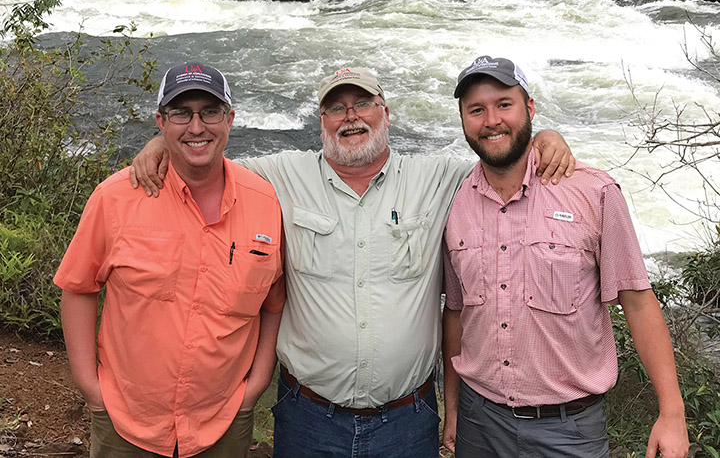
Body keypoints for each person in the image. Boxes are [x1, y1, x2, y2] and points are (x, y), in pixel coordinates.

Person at [130, 66, 575, 457]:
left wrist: (546, 138)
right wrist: (161, 144)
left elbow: (500, 156)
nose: (351, 116)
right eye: (336, 108)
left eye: (363, 103)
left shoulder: (439, 179)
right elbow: (207, 156)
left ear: (386, 113)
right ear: (321, 122)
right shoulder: (280, 176)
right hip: (307, 416)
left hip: (407, 420)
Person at [442, 55, 689, 458]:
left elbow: (638, 302)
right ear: (463, 119)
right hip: (479, 422)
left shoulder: (594, 192)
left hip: (569, 430)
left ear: (530, 108)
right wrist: (452, 410)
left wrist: (672, 413)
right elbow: (455, 313)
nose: (492, 120)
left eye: (504, 104)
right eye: (476, 110)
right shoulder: (453, 202)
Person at [54, 62, 285, 458]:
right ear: (161, 122)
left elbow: (273, 303)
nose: (197, 127)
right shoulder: (116, 197)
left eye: (209, 112)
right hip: (126, 421)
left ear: (230, 118)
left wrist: (256, 384)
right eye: (181, 113)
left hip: (224, 421)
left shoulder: (265, 202)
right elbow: (78, 288)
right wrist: (91, 388)